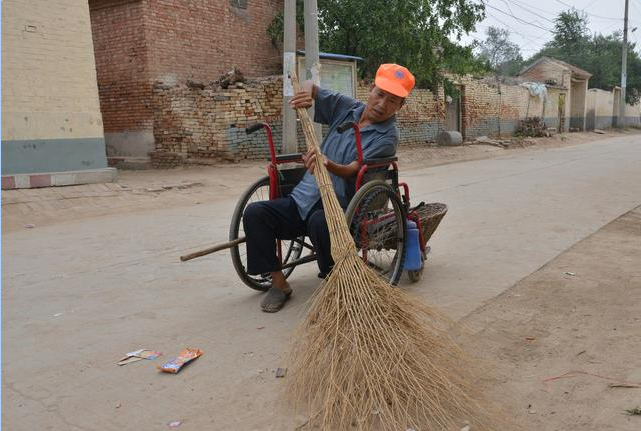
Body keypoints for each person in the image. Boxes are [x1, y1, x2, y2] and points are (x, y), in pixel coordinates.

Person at [243, 63, 415, 312]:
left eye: (392, 100)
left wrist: (328, 164)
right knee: (256, 214)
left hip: (343, 206)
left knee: (320, 222)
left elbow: (355, 169)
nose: (382, 104)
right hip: (305, 197)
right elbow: (312, 88)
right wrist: (304, 90)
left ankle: (337, 281)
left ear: (400, 106)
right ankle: (279, 284)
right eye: (380, 94)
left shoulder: (387, 136)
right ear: (370, 89)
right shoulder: (348, 108)